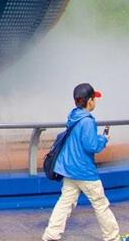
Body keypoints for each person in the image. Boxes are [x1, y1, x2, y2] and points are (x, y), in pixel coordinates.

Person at [42, 83, 128, 241]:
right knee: (101, 204)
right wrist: (103, 139)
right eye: (94, 98)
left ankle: (51, 235)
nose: (95, 102)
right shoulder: (87, 121)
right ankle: (113, 238)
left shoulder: (73, 116)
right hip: (84, 171)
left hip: (69, 170)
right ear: (89, 101)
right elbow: (91, 146)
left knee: (65, 203)